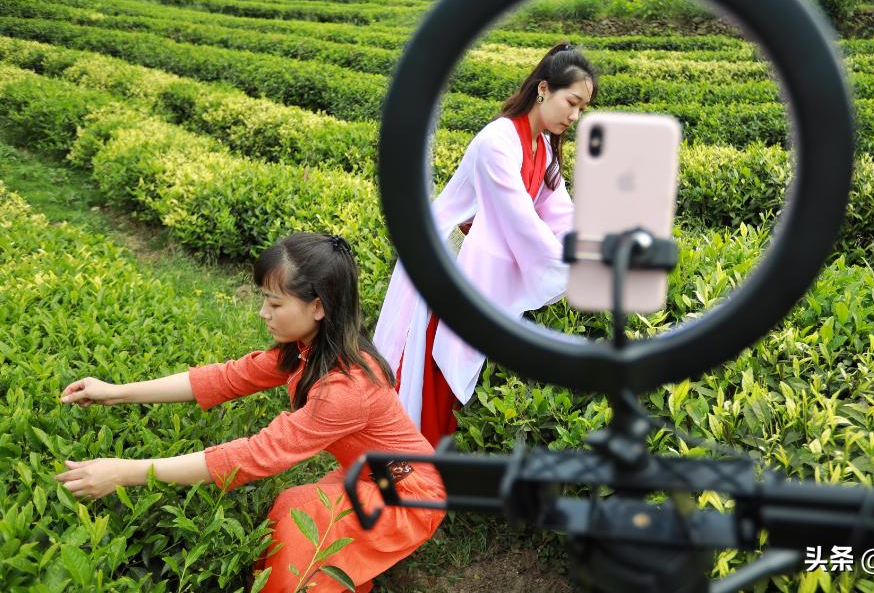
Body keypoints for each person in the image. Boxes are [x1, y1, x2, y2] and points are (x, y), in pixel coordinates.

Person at [56, 233, 445, 593]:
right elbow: (226, 378)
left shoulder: (347, 386)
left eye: (275, 303)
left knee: (297, 523)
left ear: (318, 307)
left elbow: (256, 455)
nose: (263, 313)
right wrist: (115, 393)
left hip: (408, 490)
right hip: (369, 472)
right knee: (296, 515)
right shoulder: (306, 349)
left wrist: (126, 472)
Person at [374, 41, 599, 447]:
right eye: (572, 102)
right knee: (428, 379)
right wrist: (570, 271)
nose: (576, 115)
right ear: (544, 89)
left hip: (476, 268)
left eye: (583, 108)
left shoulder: (543, 145)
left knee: (446, 385)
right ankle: (409, 469)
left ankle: (428, 475)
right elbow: (520, 224)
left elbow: (560, 212)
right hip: (446, 268)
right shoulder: (499, 141)